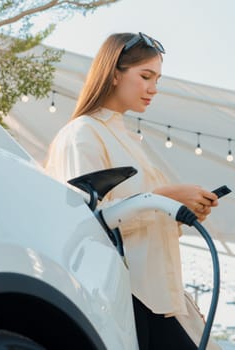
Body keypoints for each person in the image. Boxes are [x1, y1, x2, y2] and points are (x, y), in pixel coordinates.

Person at [44, 32, 220, 350]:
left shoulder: (128, 140)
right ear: (114, 74)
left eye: (157, 79)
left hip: (158, 298)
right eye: (145, 76)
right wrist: (167, 199)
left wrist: (181, 212)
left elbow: (138, 218)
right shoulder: (81, 133)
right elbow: (82, 219)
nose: (153, 88)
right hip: (120, 297)